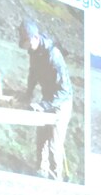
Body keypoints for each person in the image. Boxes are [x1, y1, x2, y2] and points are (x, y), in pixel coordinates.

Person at [18, 18, 72, 180]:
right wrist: (28, 93)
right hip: (47, 97)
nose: (26, 46)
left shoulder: (53, 55)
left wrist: (45, 105)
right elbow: (33, 73)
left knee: (54, 145)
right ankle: (41, 172)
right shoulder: (34, 52)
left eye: (27, 42)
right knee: (41, 138)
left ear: (35, 37)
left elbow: (64, 90)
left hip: (61, 102)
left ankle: (56, 177)